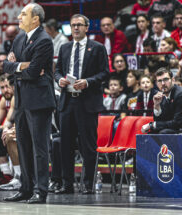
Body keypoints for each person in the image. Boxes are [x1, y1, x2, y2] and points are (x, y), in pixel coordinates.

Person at [2, 3, 56, 204]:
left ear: (36, 18)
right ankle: (25, 188)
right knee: (22, 145)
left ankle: (41, 190)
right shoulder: (18, 38)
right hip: (22, 100)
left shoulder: (44, 40)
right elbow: (6, 66)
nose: (19, 16)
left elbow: (34, 72)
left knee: (39, 148)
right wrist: (21, 66)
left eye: (23, 14)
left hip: (39, 101)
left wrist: (19, 67)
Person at [54, 14, 109, 195]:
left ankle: (87, 184)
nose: (75, 28)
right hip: (67, 101)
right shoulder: (64, 48)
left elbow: (104, 74)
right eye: (72, 25)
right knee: (65, 145)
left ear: (87, 27)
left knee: (88, 146)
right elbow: (58, 72)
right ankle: (66, 184)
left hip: (87, 102)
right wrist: (60, 80)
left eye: (79, 25)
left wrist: (88, 81)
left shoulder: (98, 48)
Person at [141, 67, 182, 134]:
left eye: (166, 79)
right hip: (177, 130)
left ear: (173, 80)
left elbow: (176, 123)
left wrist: (152, 125)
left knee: (164, 132)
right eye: (159, 81)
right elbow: (161, 121)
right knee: (152, 132)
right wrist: (156, 106)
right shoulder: (162, 95)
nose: (163, 83)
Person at [0, 74, 22, 190]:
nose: (5, 90)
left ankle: (16, 176)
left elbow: (8, 122)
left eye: (7, 86)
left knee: (3, 134)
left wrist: (4, 129)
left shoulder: (16, 97)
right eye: (2, 87)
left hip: (24, 130)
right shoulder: (4, 100)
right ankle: (6, 174)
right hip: (14, 129)